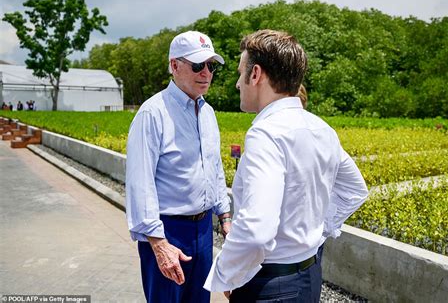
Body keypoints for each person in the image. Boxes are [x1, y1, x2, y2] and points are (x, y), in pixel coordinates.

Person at [204, 30, 368, 302]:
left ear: (255, 75)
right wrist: (315, 231)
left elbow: (256, 229)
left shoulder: (265, 134)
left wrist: (227, 272)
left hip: (270, 286)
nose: (237, 83)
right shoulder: (321, 128)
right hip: (309, 276)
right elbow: (354, 189)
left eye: (240, 72)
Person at [126, 30, 232, 303]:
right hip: (167, 231)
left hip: (203, 230)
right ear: (174, 65)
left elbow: (214, 167)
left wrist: (225, 216)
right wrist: (159, 244)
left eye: (211, 65)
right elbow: (141, 182)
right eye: (198, 65)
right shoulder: (153, 113)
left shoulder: (207, 112)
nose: (206, 72)